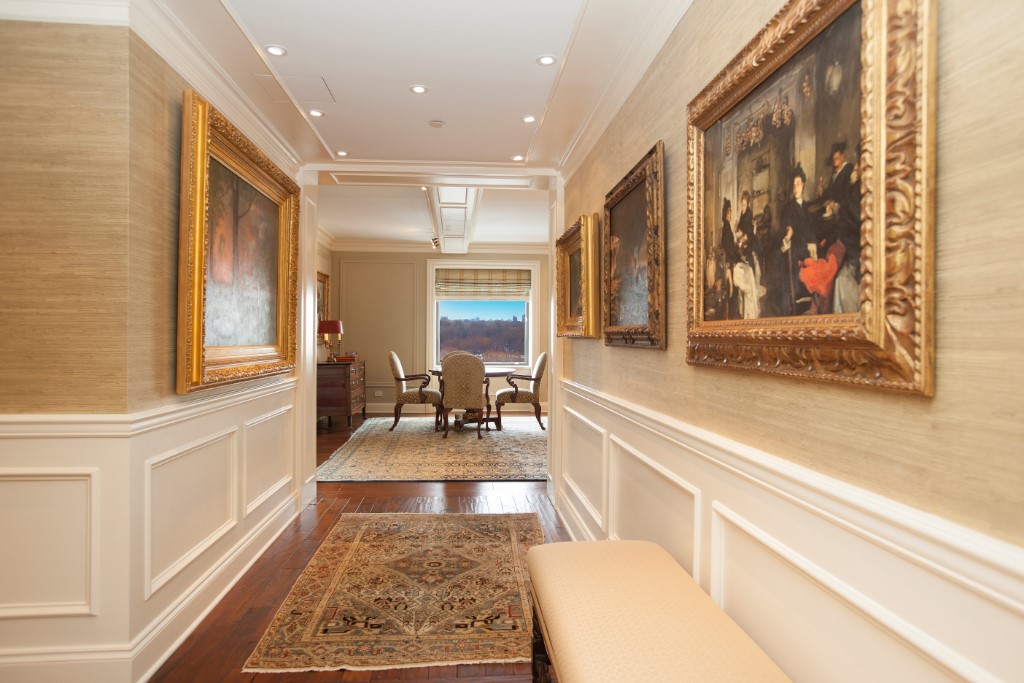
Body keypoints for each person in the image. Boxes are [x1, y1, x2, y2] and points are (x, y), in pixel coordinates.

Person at [776, 164, 815, 315]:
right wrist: (788, 235)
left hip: (806, 246)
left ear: (803, 185)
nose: (795, 187)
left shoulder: (805, 207)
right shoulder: (789, 207)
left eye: (798, 184)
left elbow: (810, 229)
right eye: (794, 185)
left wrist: (813, 244)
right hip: (796, 248)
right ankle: (796, 304)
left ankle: (812, 301)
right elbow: (788, 227)